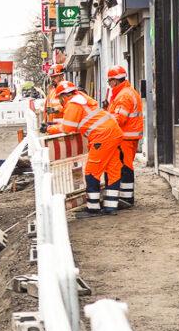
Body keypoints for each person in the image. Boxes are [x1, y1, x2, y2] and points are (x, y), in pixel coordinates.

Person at [47, 81, 123, 217]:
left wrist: (50, 128)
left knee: (92, 171)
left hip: (102, 137)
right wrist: (57, 122)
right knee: (113, 169)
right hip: (113, 132)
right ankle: (111, 206)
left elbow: (68, 128)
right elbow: (79, 120)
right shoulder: (82, 99)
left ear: (63, 97)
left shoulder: (73, 104)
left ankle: (93, 208)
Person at [106, 65, 143, 208]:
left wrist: (104, 119)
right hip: (128, 136)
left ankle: (126, 199)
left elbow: (120, 118)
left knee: (125, 167)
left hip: (125, 137)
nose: (109, 84)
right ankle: (126, 197)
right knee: (126, 166)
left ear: (115, 81)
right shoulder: (127, 92)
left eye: (110, 81)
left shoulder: (123, 95)